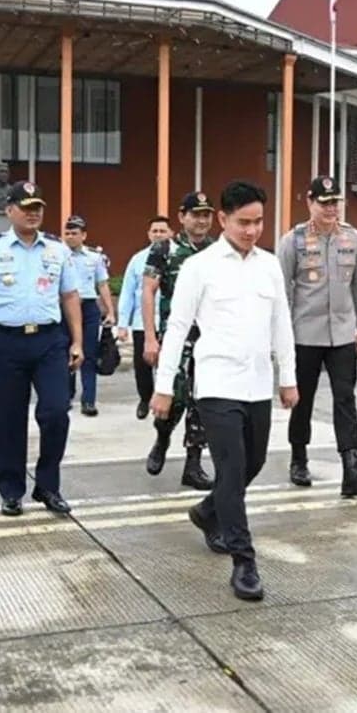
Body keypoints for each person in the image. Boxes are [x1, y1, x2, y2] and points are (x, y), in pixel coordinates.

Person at [151, 180, 297, 601]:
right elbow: (176, 327)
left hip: (256, 383)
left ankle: (208, 510)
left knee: (253, 464)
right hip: (215, 383)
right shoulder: (201, 266)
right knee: (231, 470)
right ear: (222, 220)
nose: (252, 230)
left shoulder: (269, 265)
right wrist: (164, 388)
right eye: (243, 222)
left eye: (259, 222)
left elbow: (280, 324)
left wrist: (287, 377)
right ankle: (244, 561)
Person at [0, 181, 84, 517]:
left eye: (38, 208)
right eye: (26, 207)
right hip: (6, 343)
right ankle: (11, 490)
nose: (33, 214)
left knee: (57, 412)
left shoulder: (57, 250)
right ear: (9, 210)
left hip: (49, 341)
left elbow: (70, 296)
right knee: (9, 419)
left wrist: (77, 342)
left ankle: (48, 485)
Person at [277, 175, 357, 498]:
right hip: (304, 334)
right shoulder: (292, 241)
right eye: (323, 203)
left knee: (345, 398)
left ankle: (352, 467)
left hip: (342, 334)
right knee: (302, 400)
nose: (330, 209)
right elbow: (282, 291)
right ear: (309, 202)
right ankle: (299, 457)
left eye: (335, 202)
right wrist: (281, 338)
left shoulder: (352, 238)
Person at [142, 192, 217, 491]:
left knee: (204, 398)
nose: (201, 220)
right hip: (175, 334)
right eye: (195, 214)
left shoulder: (218, 249)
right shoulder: (165, 249)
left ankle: (193, 463)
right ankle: (162, 437)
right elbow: (148, 291)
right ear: (182, 216)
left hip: (210, 336)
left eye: (206, 215)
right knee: (175, 396)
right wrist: (149, 337)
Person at [117, 216, 173, 419]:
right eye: (154, 231)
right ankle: (145, 399)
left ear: (170, 233)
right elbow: (128, 292)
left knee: (169, 363)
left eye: (162, 231)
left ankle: (167, 399)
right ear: (149, 234)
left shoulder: (177, 256)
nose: (158, 235)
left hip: (170, 322)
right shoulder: (138, 259)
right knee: (143, 365)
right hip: (143, 322)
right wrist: (123, 324)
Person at [61, 215, 116, 416]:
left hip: (88, 308)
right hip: (64, 308)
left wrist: (109, 310)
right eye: (67, 233)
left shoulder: (94, 257)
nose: (70, 237)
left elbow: (102, 283)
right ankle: (66, 396)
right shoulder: (58, 254)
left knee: (89, 354)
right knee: (65, 352)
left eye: (74, 233)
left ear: (84, 235)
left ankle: (89, 400)